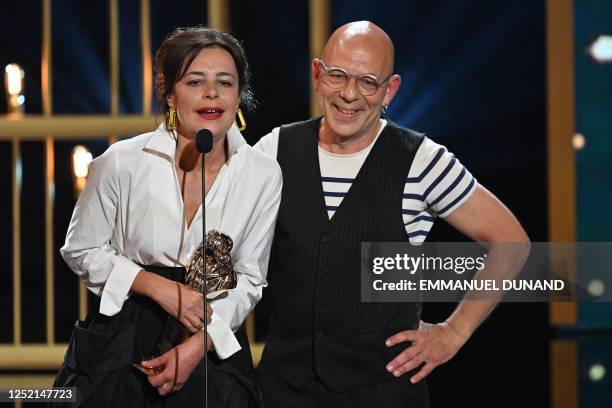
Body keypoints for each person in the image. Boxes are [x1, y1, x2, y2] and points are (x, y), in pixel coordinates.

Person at [253, 21, 529, 407]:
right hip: (281, 393)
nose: (350, 94)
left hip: (382, 393)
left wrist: (454, 332)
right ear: (318, 74)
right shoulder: (274, 149)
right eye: (338, 76)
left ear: (390, 91)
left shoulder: (421, 160)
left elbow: (511, 241)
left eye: (368, 81)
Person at [53, 26, 281, 407]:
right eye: (195, 81)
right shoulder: (121, 163)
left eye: (224, 82)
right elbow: (81, 250)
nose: (212, 93)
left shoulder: (262, 173)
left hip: (209, 330)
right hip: (125, 330)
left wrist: (199, 345)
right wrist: (155, 286)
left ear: (239, 95)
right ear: (170, 93)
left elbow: (251, 279)